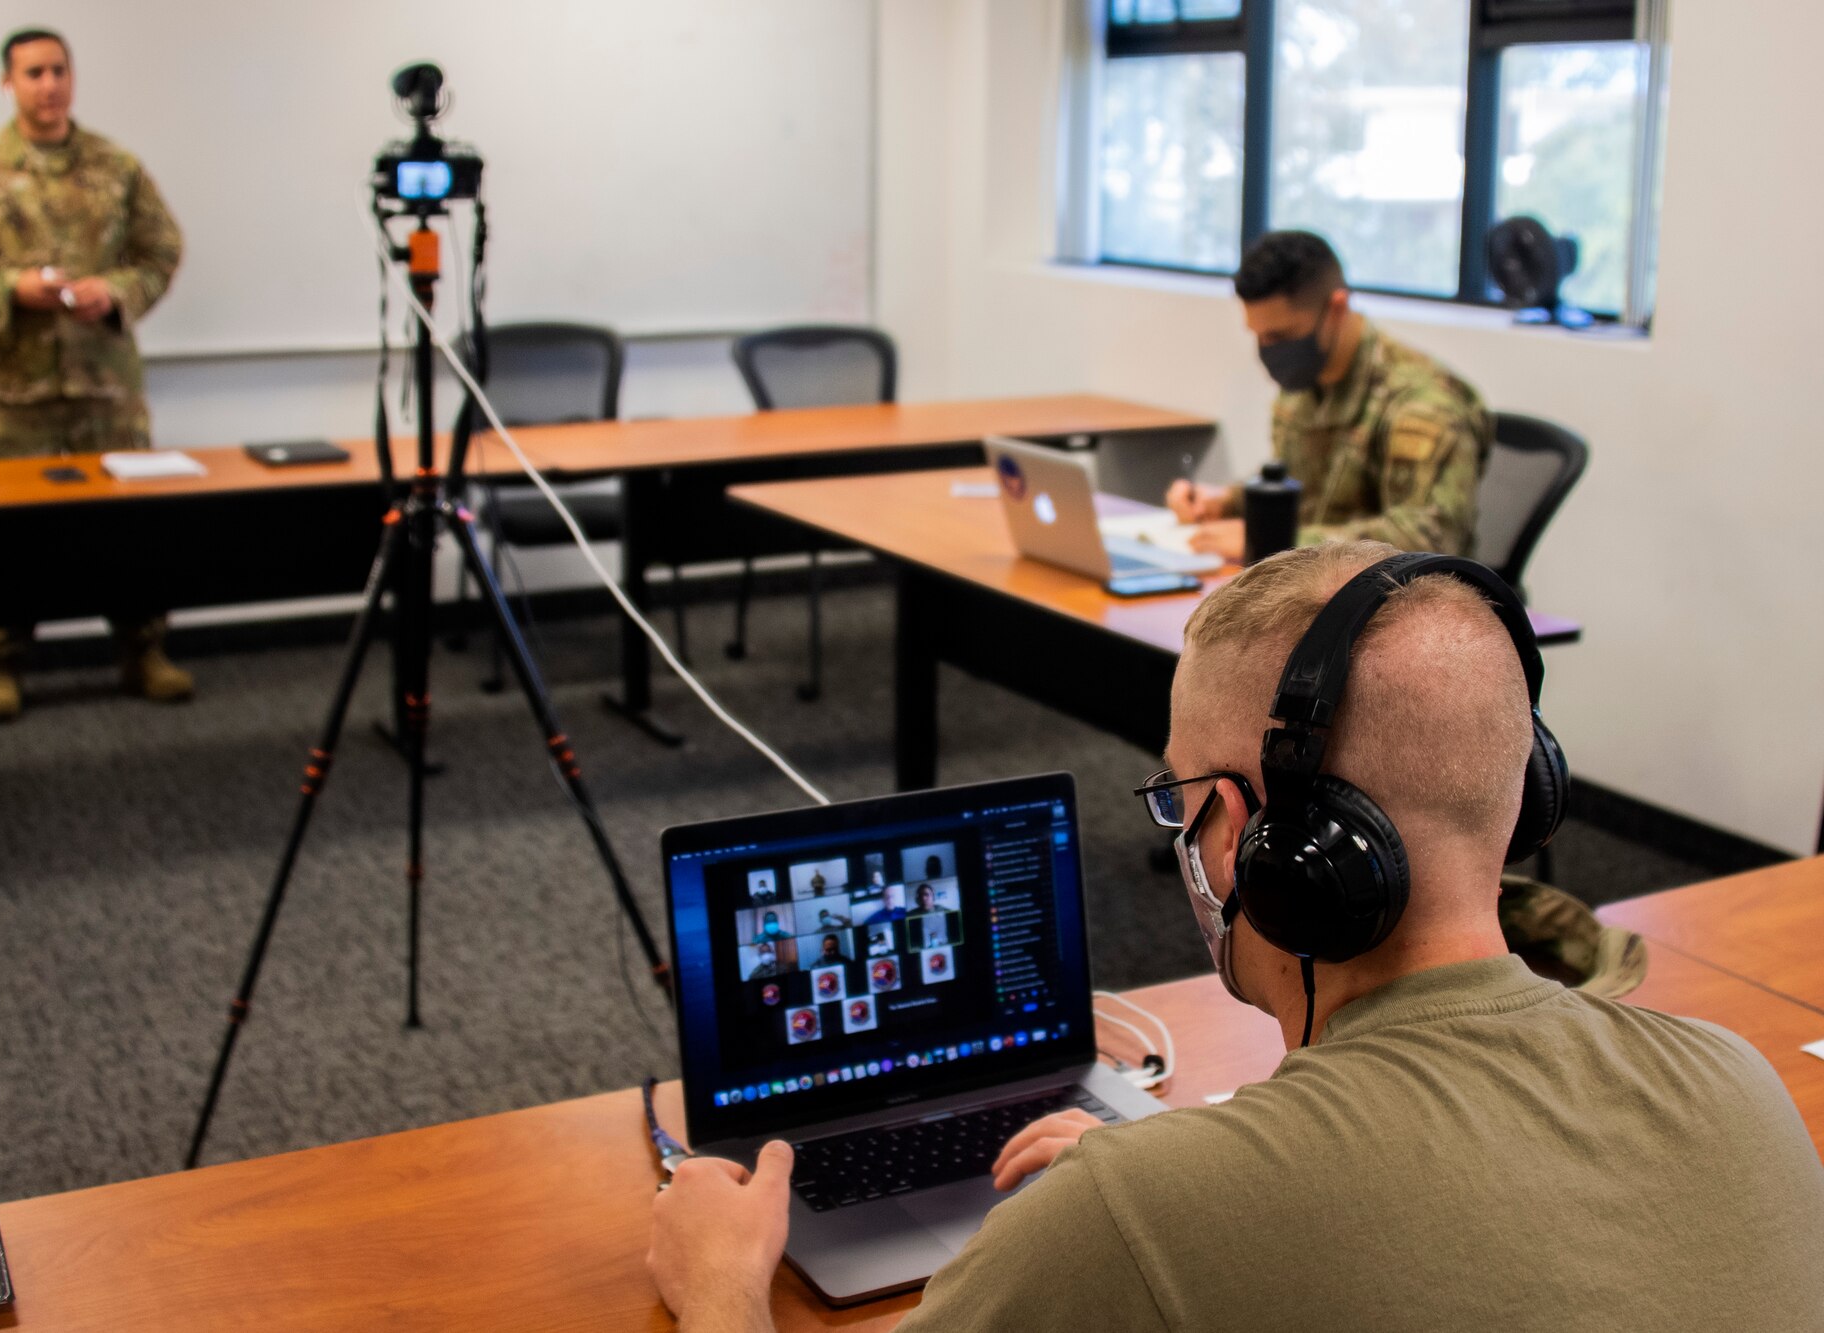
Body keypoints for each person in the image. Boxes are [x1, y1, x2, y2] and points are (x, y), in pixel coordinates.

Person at [648, 540, 1824, 1330]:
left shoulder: (1138, 1211)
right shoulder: (1736, 1084)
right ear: (1524, 792)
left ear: (1258, 843)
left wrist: (717, 1290)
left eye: (1179, 801)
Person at [0, 28, 190, 722]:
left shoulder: (115, 165)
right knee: (5, 530)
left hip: (104, 386)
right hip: (14, 390)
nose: (49, 84)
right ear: (8, 83)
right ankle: (1, 660)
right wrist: (9, 290)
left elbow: (160, 248)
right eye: (33, 72)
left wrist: (116, 292)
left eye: (59, 70)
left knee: (127, 525)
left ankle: (141, 648)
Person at [1167, 231, 1491, 565]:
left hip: (1401, 604)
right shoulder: (1308, 381)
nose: (1269, 350)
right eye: (1260, 336)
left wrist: (1272, 540)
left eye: (1280, 336)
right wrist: (1227, 501)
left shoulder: (1423, 402)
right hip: (1316, 590)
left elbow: (1429, 538)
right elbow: (1304, 490)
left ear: (1337, 308)